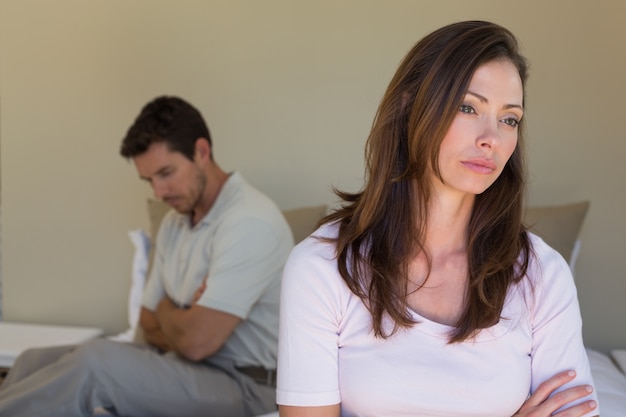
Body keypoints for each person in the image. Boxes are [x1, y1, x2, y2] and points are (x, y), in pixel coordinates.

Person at [276, 21, 599, 417]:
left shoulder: (541, 274)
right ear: (409, 107)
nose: (492, 138)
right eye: (468, 107)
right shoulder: (323, 267)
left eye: (509, 118)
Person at [0, 96, 294, 417]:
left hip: (246, 386)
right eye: (149, 180)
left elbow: (196, 341)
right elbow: (148, 321)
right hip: (183, 366)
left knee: (95, 364)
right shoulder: (173, 222)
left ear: (201, 151)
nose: (159, 192)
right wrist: (186, 318)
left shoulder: (249, 221)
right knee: (32, 360)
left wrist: (170, 312)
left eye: (166, 173)